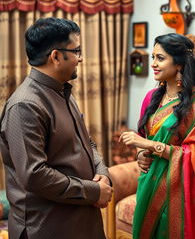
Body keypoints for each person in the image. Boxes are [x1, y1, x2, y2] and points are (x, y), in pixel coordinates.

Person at [0, 17, 113, 239]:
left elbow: (86, 142)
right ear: (56, 56)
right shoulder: (25, 105)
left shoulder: (62, 91)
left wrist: (102, 173)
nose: (80, 58)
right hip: (47, 228)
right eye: (76, 51)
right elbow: (34, 175)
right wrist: (92, 192)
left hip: (80, 222)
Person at [120, 33, 195, 239]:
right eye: (153, 57)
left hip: (180, 195)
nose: (153, 64)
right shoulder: (152, 97)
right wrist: (142, 154)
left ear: (178, 64)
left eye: (160, 58)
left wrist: (149, 145)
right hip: (149, 185)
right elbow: (146, 136)